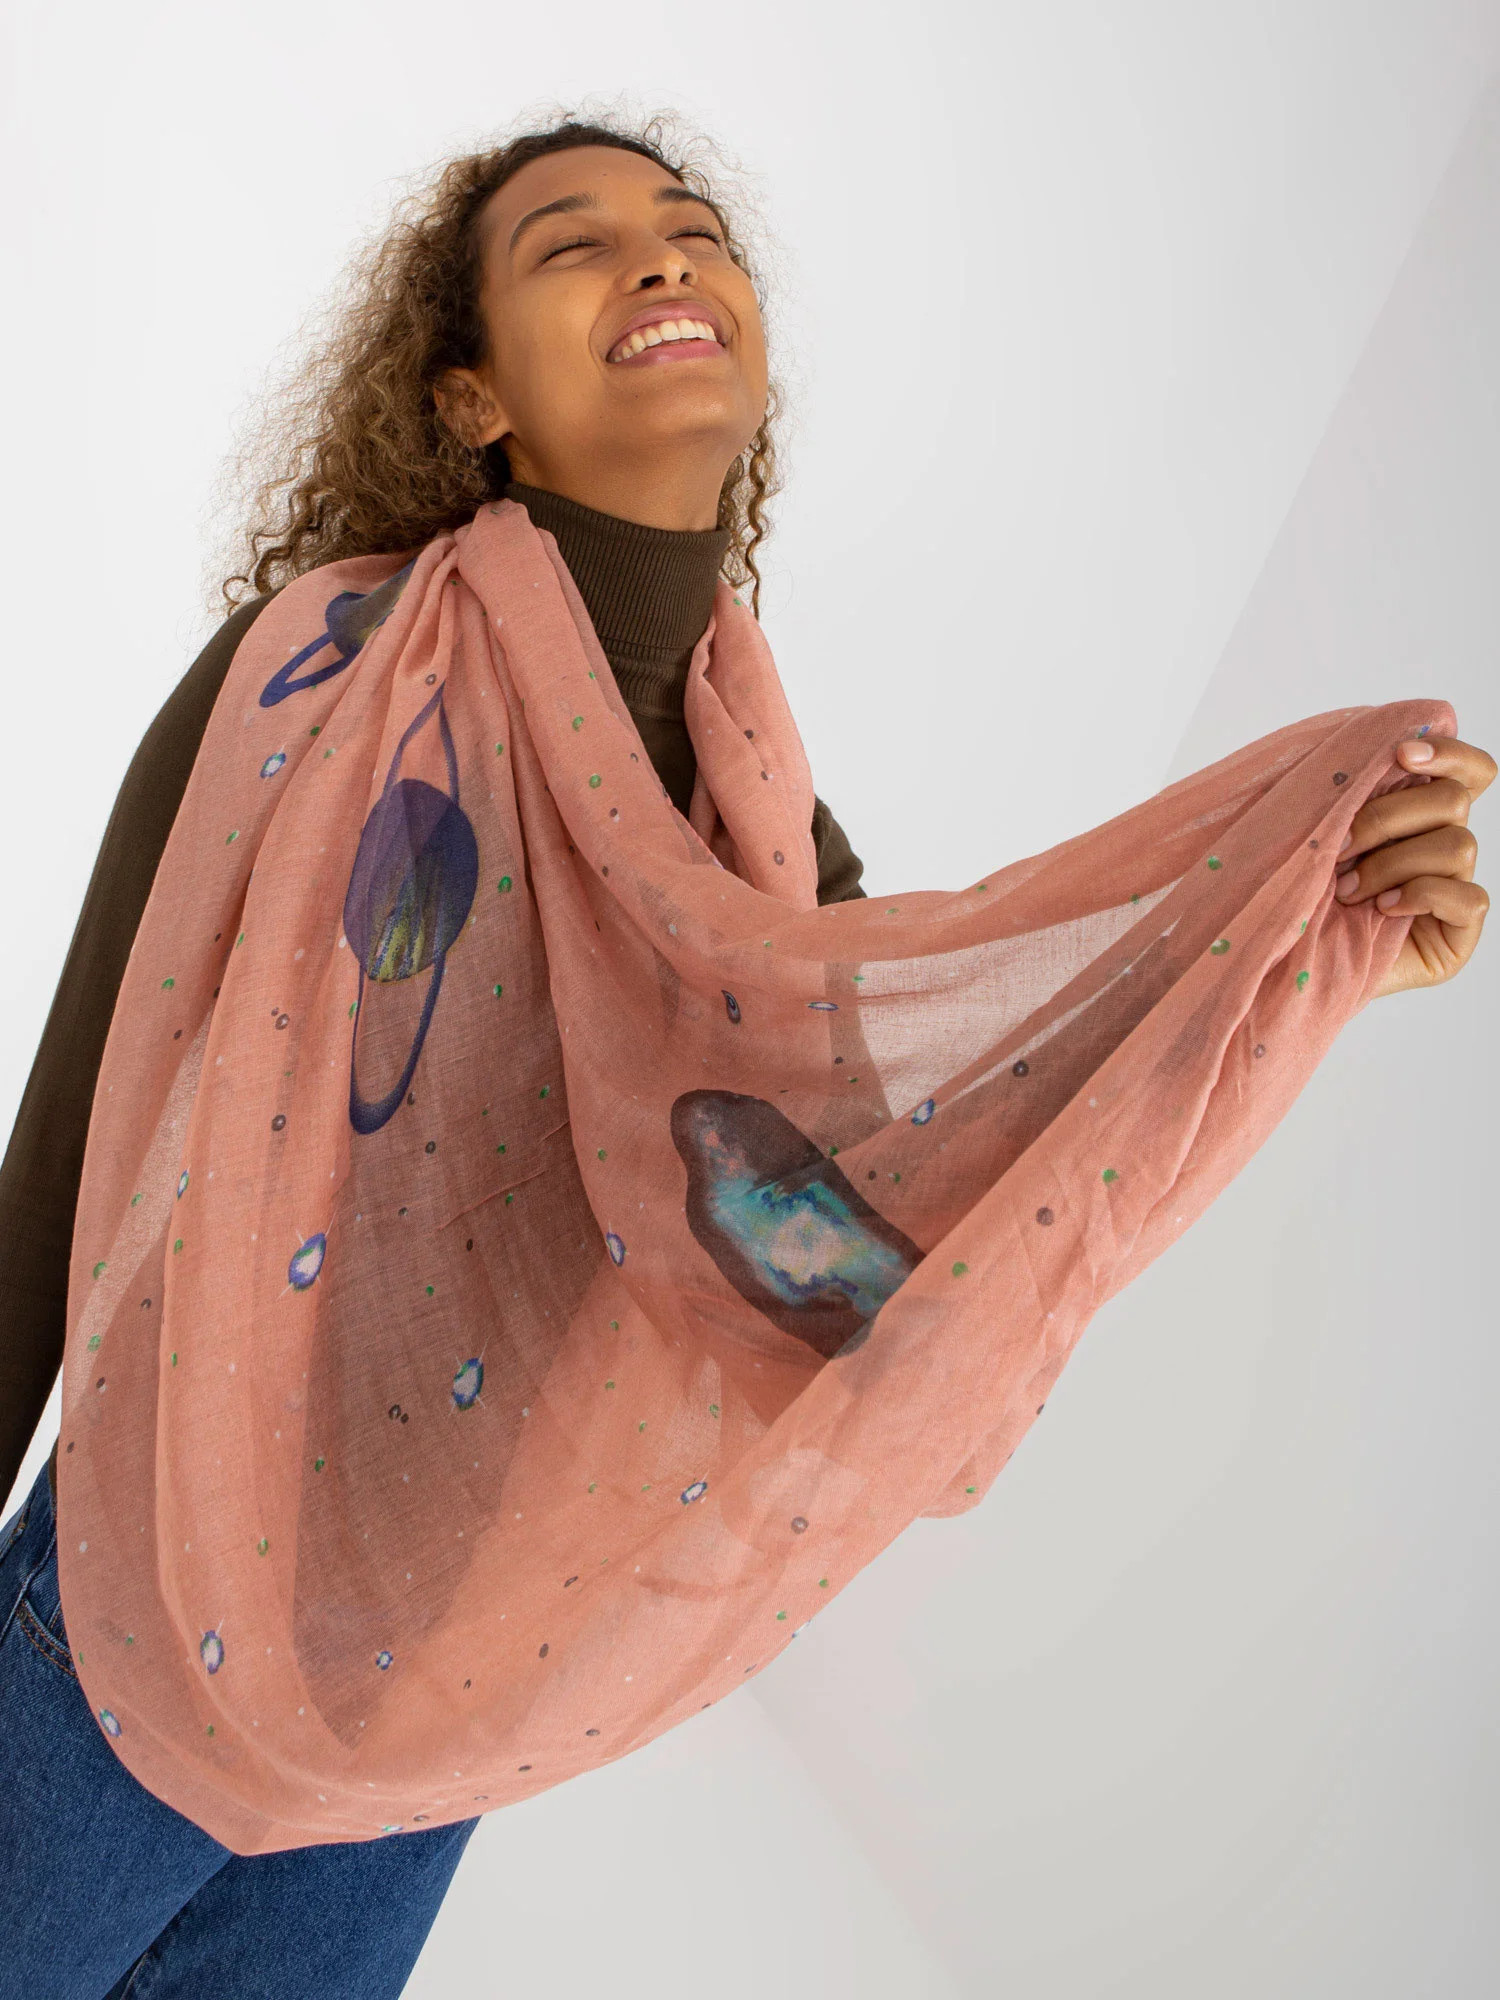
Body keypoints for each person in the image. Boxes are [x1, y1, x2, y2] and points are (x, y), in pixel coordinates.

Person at [0, 112, 1490, 1998]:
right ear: (469, 397)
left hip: (434, 1720)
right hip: (131, 1619)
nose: (662, 256)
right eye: (572, 242)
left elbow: (860, 1283)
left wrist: (1294, 965)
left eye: (695, 228)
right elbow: (62, 1155)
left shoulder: (767, 853)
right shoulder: (313, 676)